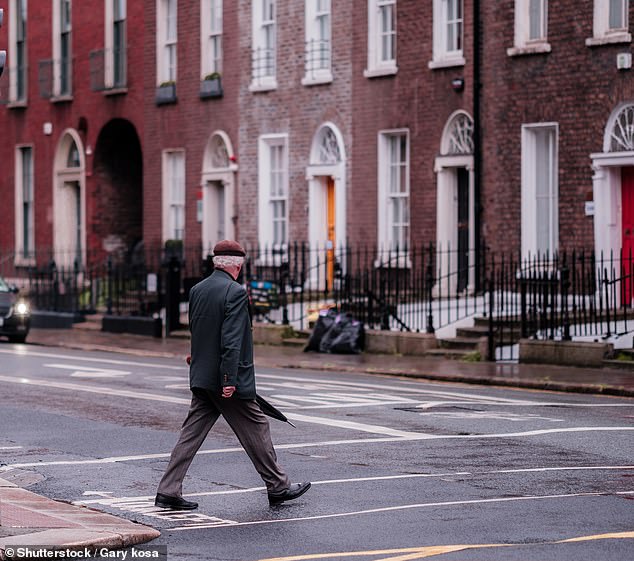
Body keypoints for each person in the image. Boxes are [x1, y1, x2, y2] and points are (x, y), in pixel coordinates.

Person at [155, 240, 310, 510]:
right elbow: (231, 341)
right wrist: (229, 380)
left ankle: (168, 490)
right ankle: (278, 486)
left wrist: (197, 357)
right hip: (226, 382)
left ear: (216, 263)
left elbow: (198, 329)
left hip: (202, 376)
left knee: (190, 435)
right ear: (237, 265)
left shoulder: (197, 290)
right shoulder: (235, 292)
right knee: (257, 427)